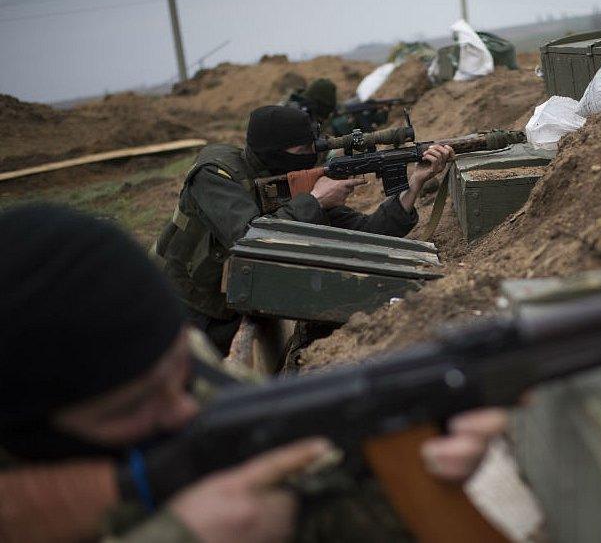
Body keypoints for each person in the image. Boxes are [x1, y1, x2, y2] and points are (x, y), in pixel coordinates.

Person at [0, 205, 507, 543]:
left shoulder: (178, 379)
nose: (185, 408)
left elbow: (314, 483)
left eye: (181, 367)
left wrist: (409, 465)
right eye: (133, 407)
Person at [151, 104, 454, 353]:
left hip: (234, 303)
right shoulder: (215, 174)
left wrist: (414, 186)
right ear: (273, 151)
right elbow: (249, 238)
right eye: (303, 148)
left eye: (314, 147)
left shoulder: (290, 177)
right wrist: (316, 201)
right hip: (180, 307)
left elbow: (365, 232)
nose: (311, 154)